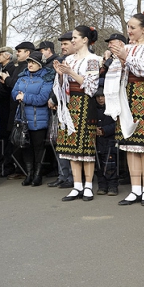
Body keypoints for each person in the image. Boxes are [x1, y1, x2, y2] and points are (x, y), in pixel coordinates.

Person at [107, 12, 144, 207]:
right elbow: (116, 71)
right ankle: (135, 189)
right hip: (126, 93)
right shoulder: (126, 47)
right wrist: (116, 59)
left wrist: (126, 58)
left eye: (132, 27)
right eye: (128, 27)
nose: (129, 31)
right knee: (129, 144)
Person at [53, 25, 101, 202]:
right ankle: (77, 185)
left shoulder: (93, 59)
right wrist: (60, 74)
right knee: (71, 146)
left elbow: (91, 87)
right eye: (72, 38)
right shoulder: (69, 59)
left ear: (85, 40)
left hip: (85, 103)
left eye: (75, 37)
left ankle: (88, 186)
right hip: (69, 103)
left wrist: (70, 72)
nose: (72, 40)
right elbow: (61, 85)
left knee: (86, 147)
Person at [11, 50, 54, 187]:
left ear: (40, 64)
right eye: (29, 62)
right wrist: (19, 96)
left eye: (33, 62)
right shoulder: (22, 76)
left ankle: (37, 175)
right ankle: (29, 174)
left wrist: (25, 97)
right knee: (25, 146)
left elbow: (42, 98)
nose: (30, 64)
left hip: (38, 119)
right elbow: (14, 92)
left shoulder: (46, 78)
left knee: (38, 147)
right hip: (23, 118)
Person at [47, 31, 77, 189]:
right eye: (62, 44)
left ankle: (75, 177)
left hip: (76, 108)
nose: (62, 47)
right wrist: (53, 98)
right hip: (62, 108)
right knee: (61, 143)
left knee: (73, 145)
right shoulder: (61, 61)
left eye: (65, 43)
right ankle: (63, 175)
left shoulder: (84, 60)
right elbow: (57, 84)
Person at [4, 41, 36, 180]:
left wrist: (6, 79)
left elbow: (17, 85)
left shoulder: (25, 69)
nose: (17, 53)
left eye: (20, 51)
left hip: (24, 110)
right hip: (14, 108)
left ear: (28, 53)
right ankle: (21, 169)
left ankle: (26, 170)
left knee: (23, 142)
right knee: (15, 141)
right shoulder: (19, 67)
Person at [0, 46, 17, 176]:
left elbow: (9, 89)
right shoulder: (0, 69)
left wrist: (4, 83)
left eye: (1, 54)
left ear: (8, 56)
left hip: (7, 107)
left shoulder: (12, 69)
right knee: (1, 138)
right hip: (0, 107)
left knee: (7, 139)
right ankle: (1, 164)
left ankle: (7, 166)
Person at [94, 88, 118, 195]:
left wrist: (104, 130)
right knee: (99, 165)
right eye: (98, 96)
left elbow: (116, 124)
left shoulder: (112, 109)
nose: (100, 99)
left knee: (111, 165)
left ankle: (113, 186)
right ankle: (102, 186)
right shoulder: (93, 110)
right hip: (97, 142)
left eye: (102, 96)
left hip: (110, 141)